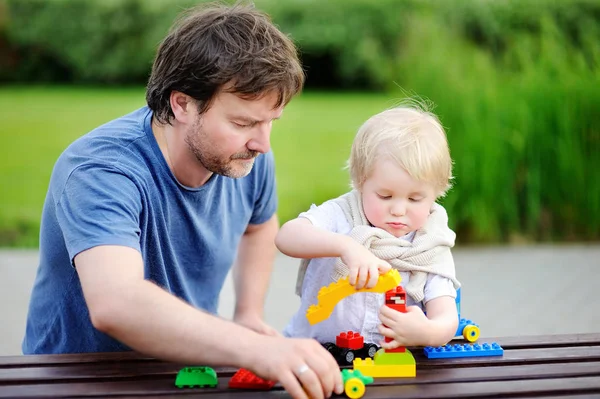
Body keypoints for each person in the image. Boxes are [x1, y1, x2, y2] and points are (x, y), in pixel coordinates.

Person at [22, 3, 343, 398]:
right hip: (78, 380)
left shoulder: (246, 156)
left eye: (270, 122)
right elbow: (116, 303)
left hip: (188, 371)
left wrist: (248, 313)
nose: (262, 143)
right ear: (182, 104)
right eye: (243, 122)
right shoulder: (100, 170)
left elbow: (259, 225)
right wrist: (259, 348)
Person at [276, 102, 462, 350]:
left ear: (437, 193)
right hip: (316, 352)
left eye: (415, 199)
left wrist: (428, 333)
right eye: (385, 196)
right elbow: (287, 236)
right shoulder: (342, 214)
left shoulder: (430, 243)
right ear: (361, 182)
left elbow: (446, 318)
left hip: (394, 367)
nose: (398, 209)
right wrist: (345, 246)